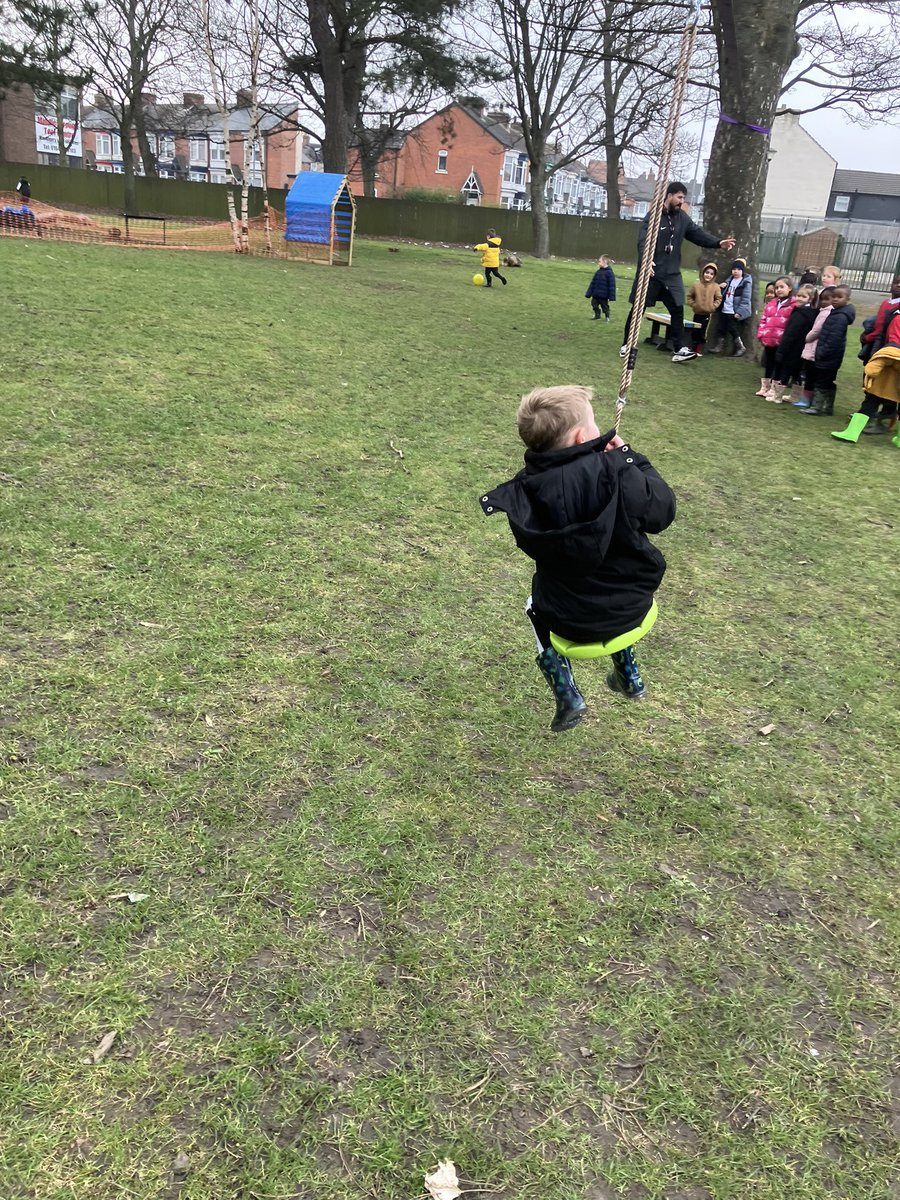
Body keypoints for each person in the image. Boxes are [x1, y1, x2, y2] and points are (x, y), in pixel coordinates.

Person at [479, 385, 676, 732]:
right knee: (606, 589)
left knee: (534, 604)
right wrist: (631, 458)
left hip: (568, 620)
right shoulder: (618, 470)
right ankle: (629, 674)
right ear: (583, 436)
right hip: (633, 606)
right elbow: (662, 512)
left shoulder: (524, 490)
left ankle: (567, 694)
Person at [619, 181, 735, 364]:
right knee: (638, 308)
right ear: (669, 196)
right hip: (652, 272)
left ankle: (680, 348)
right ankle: (627, 344)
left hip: (671, 274)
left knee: (677, 309)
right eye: (679, 197)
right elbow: (643, 241)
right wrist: (646, 261)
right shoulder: (654, 217)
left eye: (683, 198)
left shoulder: (682, 218)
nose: (682, 201)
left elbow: (697, 234)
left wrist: (718, 243)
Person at [802, 284, 855, 417]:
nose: (835, 299)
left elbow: (834, 339)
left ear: (847, 299)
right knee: (827, 381)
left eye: (839, 297)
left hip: (829, 356)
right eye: (834, 297)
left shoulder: (840, 317)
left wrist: (822, 352)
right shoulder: (835, 313)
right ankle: (827, 407)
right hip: (829, 355)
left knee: (822, 381)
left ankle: (817, 406)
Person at [774, 284, 818, 405]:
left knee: (786, 371)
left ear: (810, 299)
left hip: (793, 348)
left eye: (803, 297)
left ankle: (777, 396)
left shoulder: (800, 314)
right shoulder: (811, 313)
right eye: (798, 295)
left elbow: (790, 333)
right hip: (802, 348)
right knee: (796, 372)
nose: (799, 298)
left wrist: (782, 349)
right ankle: (794, 396)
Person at [755, 276, 797, 400]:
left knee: (779, 364)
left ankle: (774, 389)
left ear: (789, 288)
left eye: (782, 287)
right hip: (769, 339)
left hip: (782, 341)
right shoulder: (771, 304)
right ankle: (765, 387)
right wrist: (761, 334)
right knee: (769, 363)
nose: (779, 290)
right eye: (777, 287)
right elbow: (763, 320)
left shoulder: (793, 305)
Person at [708, 259, 753, 357]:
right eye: (734, 269)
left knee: (733, 329)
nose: (736, 271)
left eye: (738, 269)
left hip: (733, 310)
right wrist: (720, 286)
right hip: (725, 308)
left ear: (742, 271)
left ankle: (740, 346)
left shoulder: (745, 282)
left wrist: (740, 312)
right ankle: (719, 346)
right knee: (721, 327)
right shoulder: (729, 280)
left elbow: (746, 298)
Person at [685, 262, 722, 356]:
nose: (708, 275)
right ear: (703, 273)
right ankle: (691, 348)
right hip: (697, 312)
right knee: (694, 331)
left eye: (711, 274)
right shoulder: (696, 285)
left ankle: (698, 349)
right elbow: (689, 296)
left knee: (702, 332)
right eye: (707, 272)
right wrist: (694, 305)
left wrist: (713, 306)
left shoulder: (715, 287)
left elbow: (718, 298)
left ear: (714, 276)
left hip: (707, 314)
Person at [585, 255, 616, 320]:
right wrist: (588, 293)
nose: (598, 263)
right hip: (596, 294)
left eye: (599, 261)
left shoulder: (609, 273)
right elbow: (593, 283)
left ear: (605, 262)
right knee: (594, 304)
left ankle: (607, 316)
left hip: (604, 295)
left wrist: (612, 297)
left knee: (604, 306)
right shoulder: (598, 272)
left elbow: (612, 285)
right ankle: (597, 315)